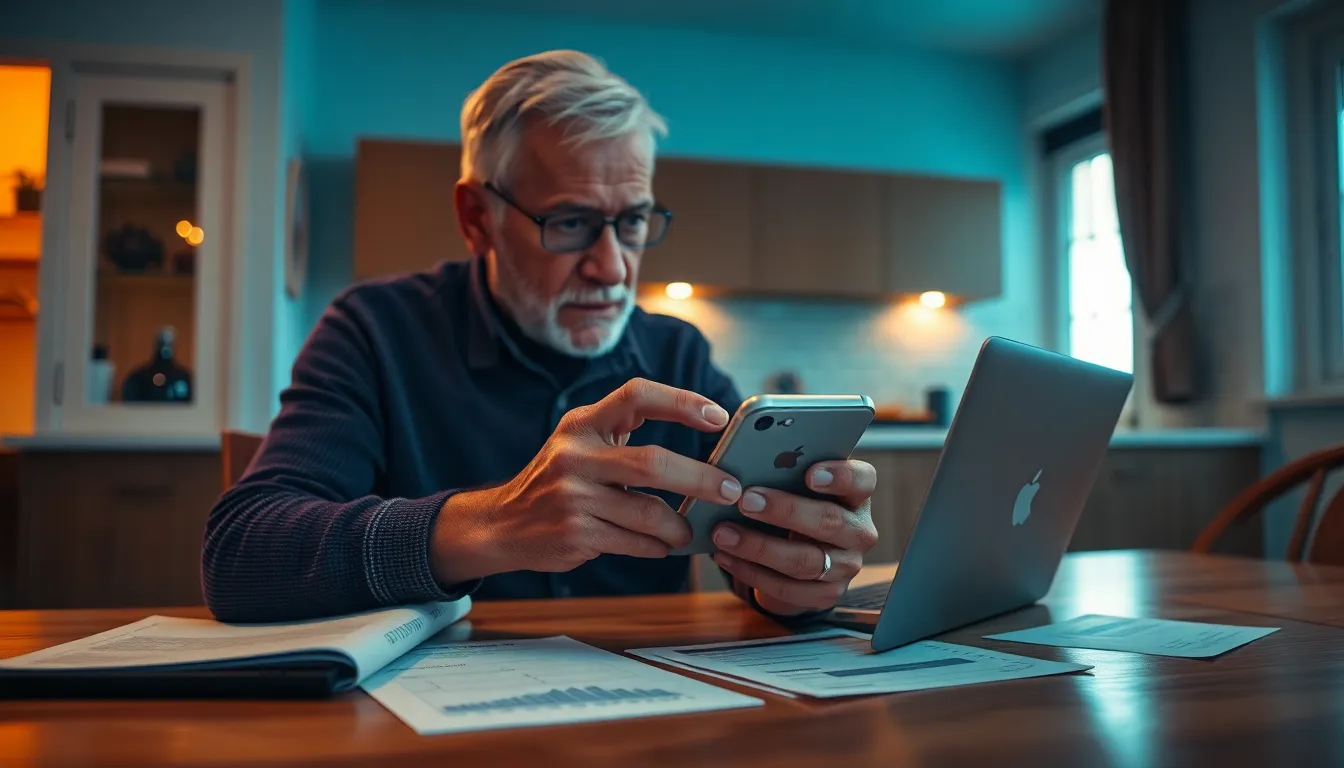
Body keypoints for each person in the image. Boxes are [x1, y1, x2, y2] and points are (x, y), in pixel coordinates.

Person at [202, 50, 878, 623]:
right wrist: (490, 523)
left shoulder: (680, 354)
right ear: (477, 219)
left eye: (633, 221)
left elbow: (751, 552)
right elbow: (242, 555)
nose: (612, 267)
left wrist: (794, 572)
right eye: (570, 223)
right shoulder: (374, 332)